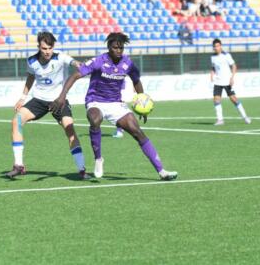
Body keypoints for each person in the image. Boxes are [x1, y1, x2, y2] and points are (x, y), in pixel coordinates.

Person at [51, 32, 178, 181]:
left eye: (121, 48)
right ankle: (98, 159)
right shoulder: (98, 61)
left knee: (137, 132)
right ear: (109, 47)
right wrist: (61, 97)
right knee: (95, 119)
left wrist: (142, 101)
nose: (118, 51)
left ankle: (162, 171)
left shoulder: (128, 63)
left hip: (116, 104)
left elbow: (136, 81)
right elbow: (75, 76)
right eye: (115, 47)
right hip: (95, 101)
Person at [5, 31, 88, 179]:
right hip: (39, 100)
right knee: (16, 121)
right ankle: (19, 165)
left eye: (50, 48)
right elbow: (30, 78)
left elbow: (75, 63)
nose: (47, 51)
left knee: (70, 130)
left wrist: (82, 65)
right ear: (39, 47)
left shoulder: (60, 57)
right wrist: (22, 97)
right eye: (44, 48)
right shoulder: (31, 61)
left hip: (58, 101)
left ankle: (82, 169)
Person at [210, 38, 251, 126]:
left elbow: (234, 66)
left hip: (227, 81)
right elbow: (213, 67)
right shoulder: (212, 57)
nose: (216, 48)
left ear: (220, 46)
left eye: (217, 46)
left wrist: (232, 78)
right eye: (214, 46)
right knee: (216, 100)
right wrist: (211, 75)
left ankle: (245, 117)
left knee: (234, 99)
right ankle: (220, 120)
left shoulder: (226, 55)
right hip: (218, 81)